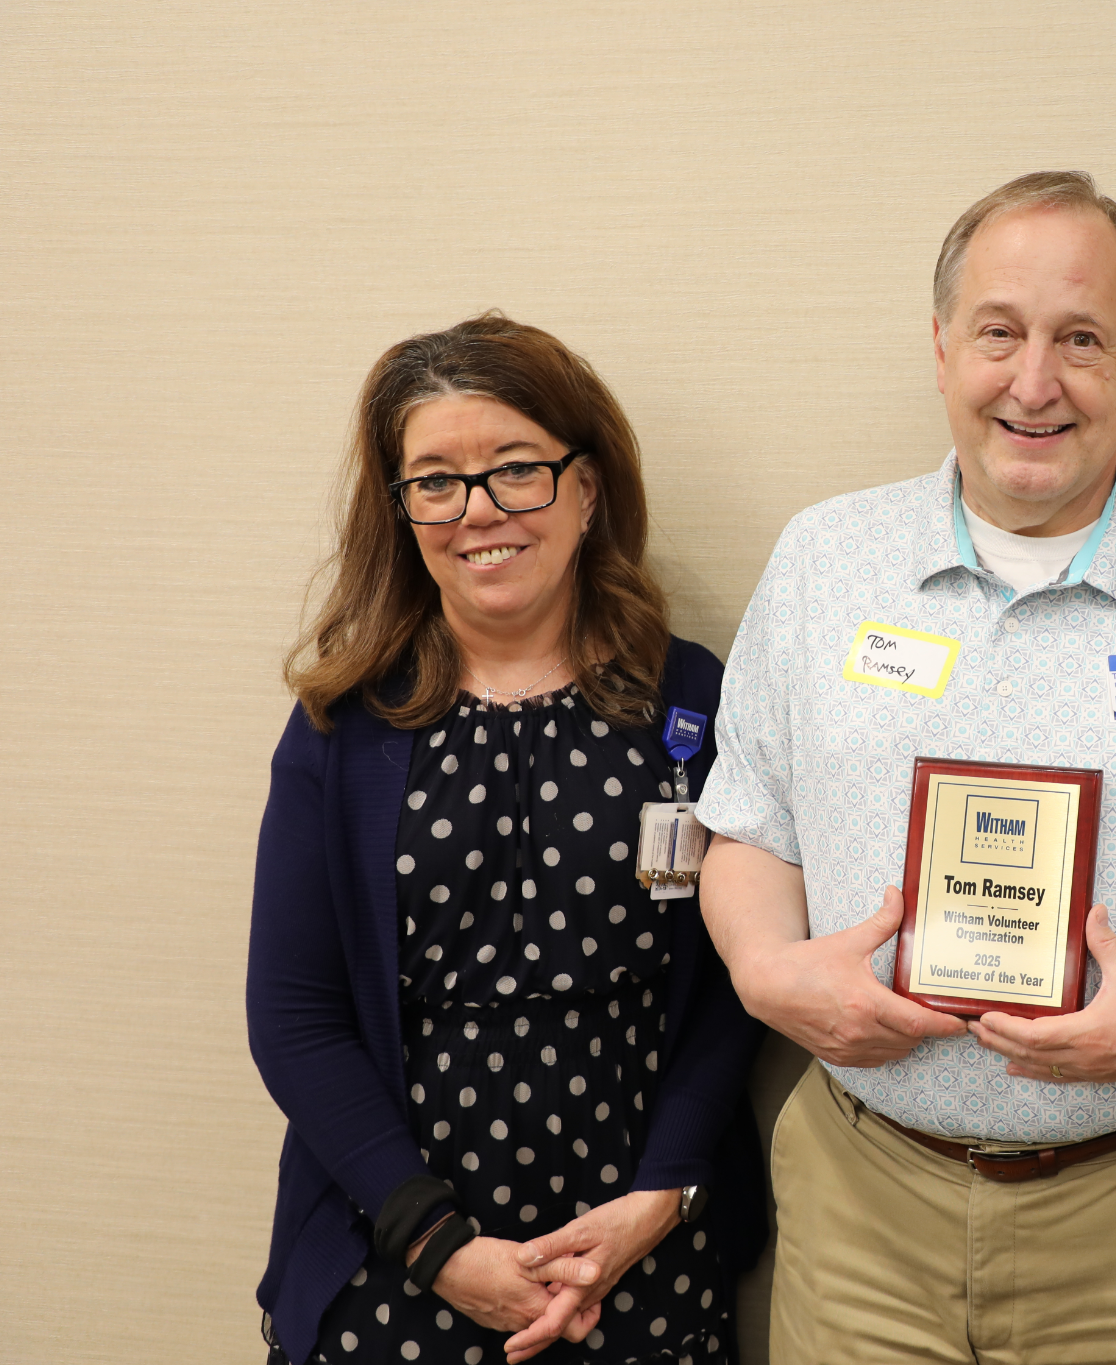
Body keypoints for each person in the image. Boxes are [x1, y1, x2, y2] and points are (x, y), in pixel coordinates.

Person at [694, 170, 1116, 1364]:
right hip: (862, 1205)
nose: (1034, 382)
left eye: (1082, 339)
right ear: (941, 345)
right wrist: (764, 970)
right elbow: (749, 827)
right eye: (998, 332)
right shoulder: (824, 560)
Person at [248, 313, 765, 1365]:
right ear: (398, 511)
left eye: (516, 468)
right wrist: (437, 1245)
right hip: (393, 1246)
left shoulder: (694, 704)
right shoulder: (341, 733)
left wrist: (658, 1200)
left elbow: (728, 991)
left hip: (637, 1248)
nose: (477, 511)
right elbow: (294, 1016)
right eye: (435, 481)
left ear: (586, 487)